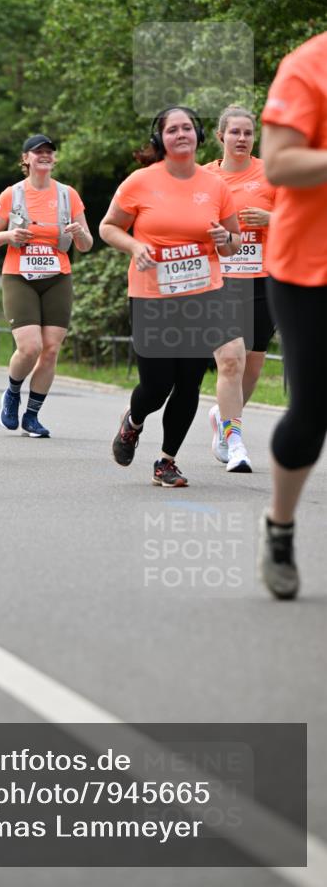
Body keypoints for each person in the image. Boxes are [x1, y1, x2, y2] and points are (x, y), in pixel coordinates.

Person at [100, 107, 240, 487]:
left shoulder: (215, 186)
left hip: (202, 296)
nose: (181, 134)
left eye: (187, 128)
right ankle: (133, 421)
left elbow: (234, 241)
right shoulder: (140, 182)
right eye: (172, 129)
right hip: (151, 295)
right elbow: (108, 226)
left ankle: (167, 461)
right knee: (158, 383)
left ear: (197, 135)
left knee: (190, 381)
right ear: (160, 139)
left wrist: (226, 241)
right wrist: (133, 246)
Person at [258, 31, 327, 599]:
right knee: (312, 412)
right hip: (311, 268)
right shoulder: (309, 65)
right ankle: (280, 527)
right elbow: (279, 164)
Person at [0, 134, 92, 437]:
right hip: (20, 276)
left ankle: (31, 416)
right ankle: (12, 392)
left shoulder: (68, 195)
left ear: (54, 159)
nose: (44, 156)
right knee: (30, 347)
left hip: (58, 276)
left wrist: (78, 233)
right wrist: (9, 237)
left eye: (49, 152)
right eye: (37, 152)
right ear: (26, 159)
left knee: (51, 350)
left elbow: (86, 243)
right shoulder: (11, 194)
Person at [203, 106, 277, 472]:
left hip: (263, 280)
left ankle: (223, 415)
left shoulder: (271, 175)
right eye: (235, 132)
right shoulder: (202, 179)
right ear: (221, 137)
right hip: (219, 281)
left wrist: (271, 219)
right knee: (230, 361)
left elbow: (305, 221)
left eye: (248, 133)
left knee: (252, 366)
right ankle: (235, 441)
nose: (242, 139)